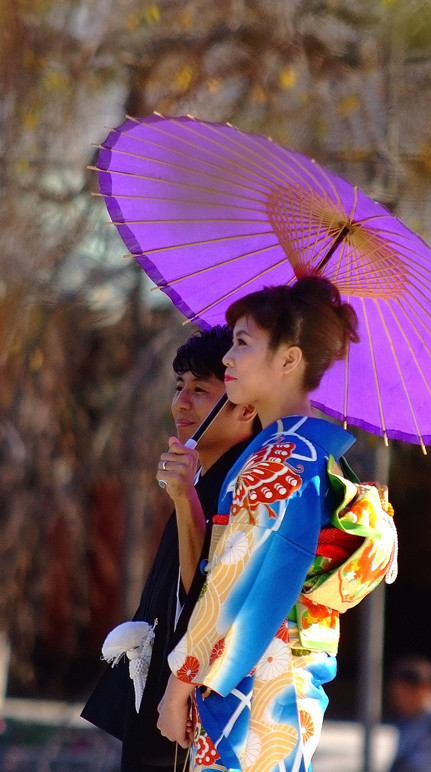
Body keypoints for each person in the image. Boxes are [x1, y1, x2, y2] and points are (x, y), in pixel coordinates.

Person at [156, 275, 361, 772]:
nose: (227, 357)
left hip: (259, 679)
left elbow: (230, 584)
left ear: (289, 359)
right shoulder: (304, 450)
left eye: (242, 344)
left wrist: (177, 686)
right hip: (279, 672)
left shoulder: (279, 459)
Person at [82, 325, 259, 772]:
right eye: (179, 386)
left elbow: (202, 593)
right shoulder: (206, 478)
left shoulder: (246, 485)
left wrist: (185, 499)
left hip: (190, 700)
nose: (180, 402)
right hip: (164, 688)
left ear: (246, 408)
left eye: (201, 390)